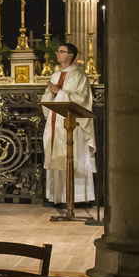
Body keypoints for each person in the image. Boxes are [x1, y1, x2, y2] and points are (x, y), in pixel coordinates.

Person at [41, 41, 96, 205]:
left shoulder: (79, 75)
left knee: (73, 156)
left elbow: (82, 99)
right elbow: (46, 97)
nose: (57, 53)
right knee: (56, 155)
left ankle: (77, 198)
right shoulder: (55, 76)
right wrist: (51, 95)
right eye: (58, 51)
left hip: (72, 124)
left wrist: (60, 93)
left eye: (61, 51)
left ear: (70, 55)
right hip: (55, 123)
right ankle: (58, 197)